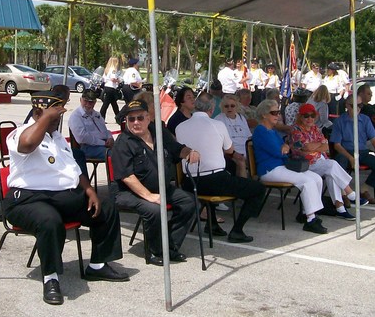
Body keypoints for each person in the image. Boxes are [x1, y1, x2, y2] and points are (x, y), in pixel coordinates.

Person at [3, 90, 128, 305]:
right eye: (53, 116)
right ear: (37, 112)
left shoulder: (57, 137)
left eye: (58, 117)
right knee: (49, 221)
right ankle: (50, 278)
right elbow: (27, 146)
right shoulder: (19, 133)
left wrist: (89, 190)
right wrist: (46, 119)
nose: (56, 121)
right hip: (28, 200)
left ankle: (98, 265)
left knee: (106, 206)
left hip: (62, 197)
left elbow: (73, 168)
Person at [111, 99, 201, 265]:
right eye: (131, 119)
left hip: (161, 188)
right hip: (128, 192)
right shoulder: (123, 143)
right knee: (154, 209)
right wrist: (149, 196)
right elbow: (127, 176)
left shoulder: (158, 132)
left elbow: (176, 148)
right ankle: (154, 251)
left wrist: (190, 152)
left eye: (140, 118)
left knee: (190, 202)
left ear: (148, 118)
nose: (136, 122)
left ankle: (170, 246)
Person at [175, 93, 264, 242]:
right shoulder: (217, 125)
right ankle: (237, 230)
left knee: (219, 175)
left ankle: (212, 224)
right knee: (258, 188)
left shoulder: (180, 127)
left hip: (189, 182)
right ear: (211, 108)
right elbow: (229, 150)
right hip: (213, 181)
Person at [251, 99, 327, 234]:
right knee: (307, 181)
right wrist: (284, 148)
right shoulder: (261, 131)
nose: (278, 115)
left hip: (281, 166)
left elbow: (286, 147)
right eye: (274, 112)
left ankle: (306, 213)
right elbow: (279, 151)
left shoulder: (272, 131)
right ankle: (311, 220)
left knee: (316, 178)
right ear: (264, 114)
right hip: (270, 169)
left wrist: (285, 147)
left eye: (278, 112)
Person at [289, 103, 358, 219]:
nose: (310, 119)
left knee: (331, 172)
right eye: (306, 116)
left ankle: (340, 207)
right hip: (305, 164)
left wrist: (314, 147)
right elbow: (305, 149)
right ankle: (349, 192)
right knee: (332, 165)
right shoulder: (296, 130)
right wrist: (318, 146)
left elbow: (326, 146)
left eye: (312, 115)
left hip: (319, 161)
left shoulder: (315, 128)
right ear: (300, 116)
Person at [329, 98, 375, 204]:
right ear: (348, 106)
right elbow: (337, 145)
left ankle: (364, 189)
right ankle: (343, 193)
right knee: (338, 165)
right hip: (345, 152)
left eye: (361, 105)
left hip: (362, 152)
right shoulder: (340, 121)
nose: (359, 108)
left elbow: (374, 140)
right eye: (356, 105)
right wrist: (350, 158)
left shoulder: (365, 119)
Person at [68, 89, 114, 160]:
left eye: (91, 102)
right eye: (85, 101)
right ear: (80, 100)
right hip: (88, 147)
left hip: (103, 145)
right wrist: (103, 143)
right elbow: (82, 138)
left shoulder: (97, 114)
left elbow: (105, 130)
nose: (88, 104)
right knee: (114, 154)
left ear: (95, 102)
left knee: (124, 150)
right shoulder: (76, 116)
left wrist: (110, 137)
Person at [214, 94, 251, 177]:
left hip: (246, 150)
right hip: (230, 152)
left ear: (237, 107)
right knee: (240, 161)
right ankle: (243, 186)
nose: (229, 108)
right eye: (226, 106)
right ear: (222, 107)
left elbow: (248, 136)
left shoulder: (241, 118)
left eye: (232, 106)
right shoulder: (218, 119)